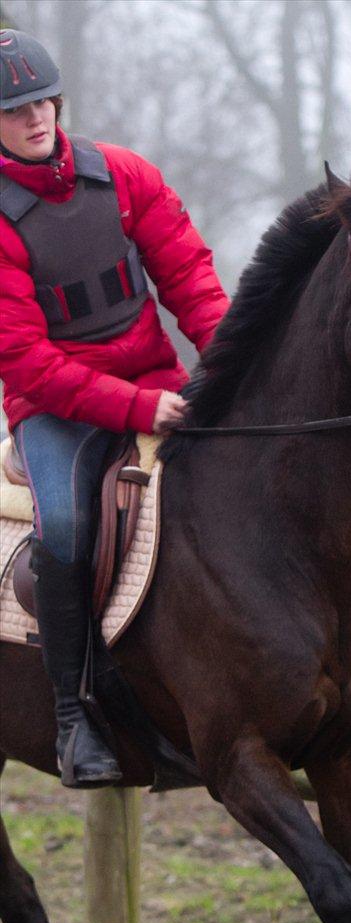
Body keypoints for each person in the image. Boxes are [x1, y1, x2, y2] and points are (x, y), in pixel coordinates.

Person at [0, 29, 229, 787]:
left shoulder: (126, 176)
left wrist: (227, 366)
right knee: (65, 530)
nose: (35, 119)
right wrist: (134, 407)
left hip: (157, 389)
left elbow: (190, 278)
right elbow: (25, 356)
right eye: (14, 109)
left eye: (42, 101)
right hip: (55, 412)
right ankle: (74, 720)